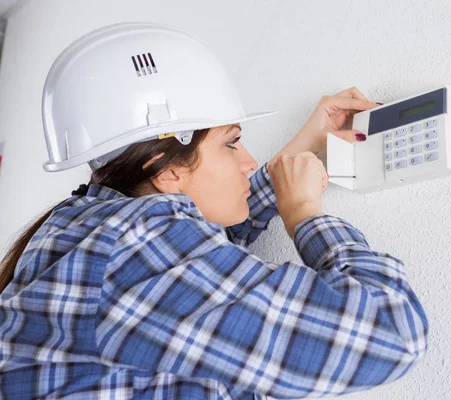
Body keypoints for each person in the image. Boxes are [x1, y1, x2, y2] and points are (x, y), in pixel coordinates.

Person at [0, 22, 428, 399]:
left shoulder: (86, 226)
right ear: (163, 170)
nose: (247, 162)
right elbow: (391, 334)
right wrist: (303, 211)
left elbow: (204, 258)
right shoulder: (136, 244)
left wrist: (300, 153)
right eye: (231, 143)